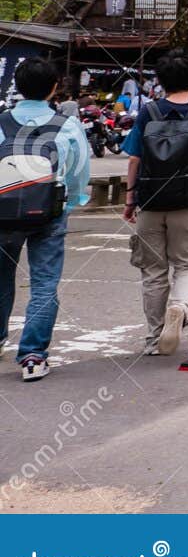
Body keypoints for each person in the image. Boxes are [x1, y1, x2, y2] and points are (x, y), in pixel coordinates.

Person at [121, 48, 188, 357]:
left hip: (150, 202)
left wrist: (130, 199)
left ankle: (154, 339)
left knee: (152, 272)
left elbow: (134, 159)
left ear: (161, 81)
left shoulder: (148, 112)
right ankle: (180, 306)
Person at [0, 58, 91, 382]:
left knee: (1, 277)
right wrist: (73, 202)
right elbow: (80, 171)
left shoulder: (1, 122)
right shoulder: (66, 125)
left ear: (18, 87)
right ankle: (33, 356)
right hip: (49, 213)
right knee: (44, 282)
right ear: (55, 87)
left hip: (3, 213)